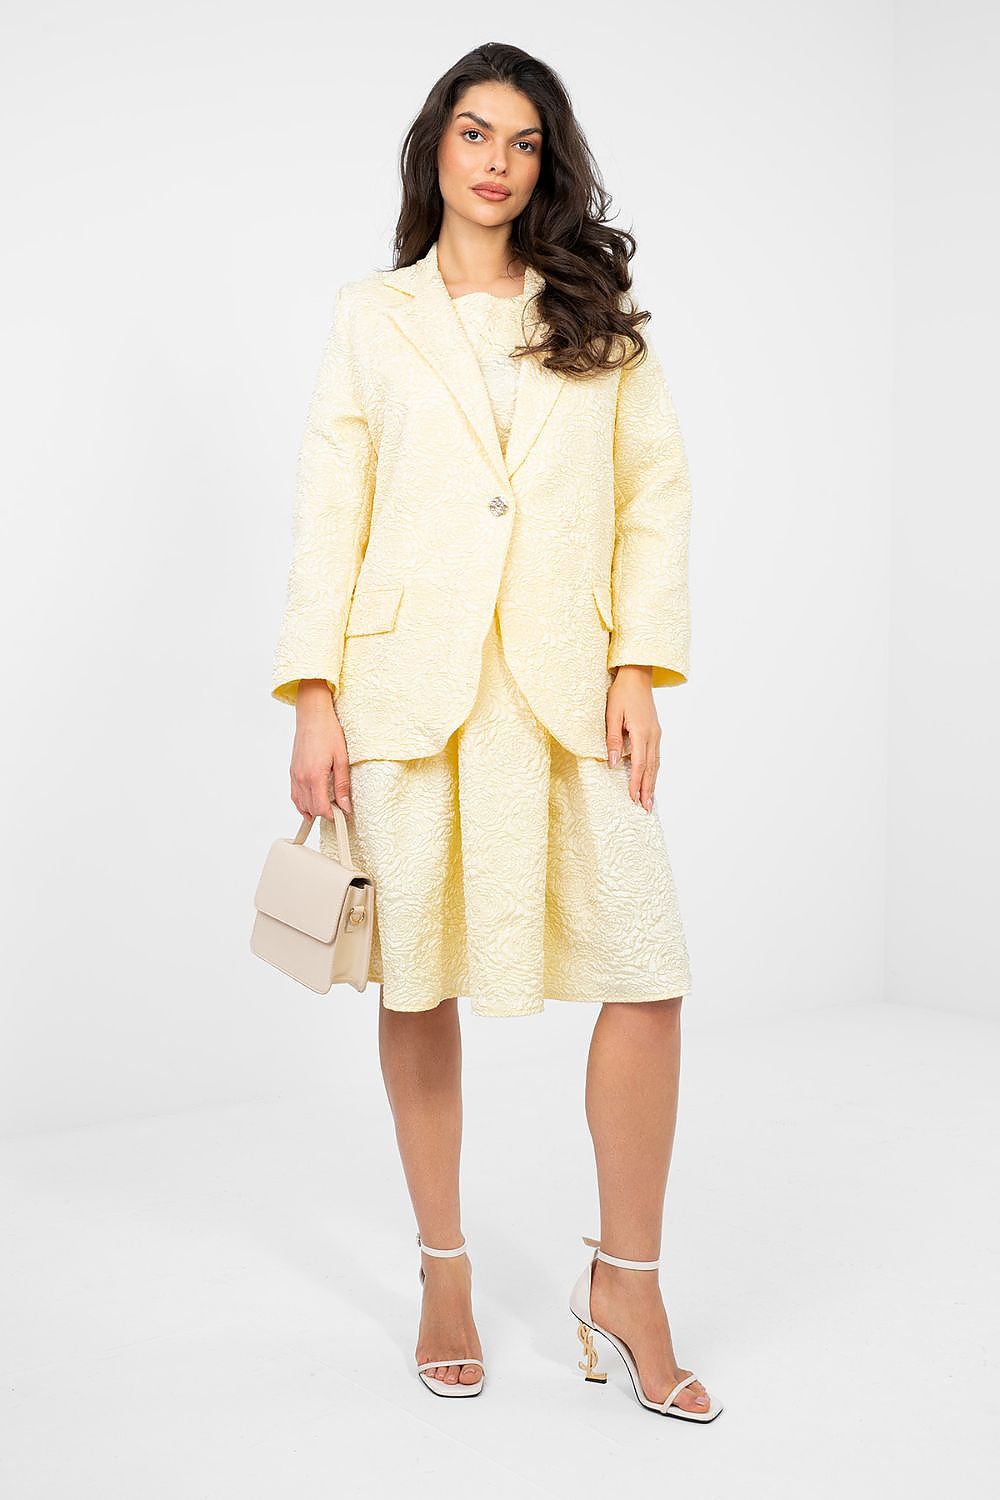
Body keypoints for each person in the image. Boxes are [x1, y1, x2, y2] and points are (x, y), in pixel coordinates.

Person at [269, 41, 721, 1421]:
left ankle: (627, 1281)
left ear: (548, 164)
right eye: (475, 132)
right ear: (436, 146)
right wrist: (314, 693)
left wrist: (638, 664)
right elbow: (331, 509)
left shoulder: (596, 315)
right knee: (417, 985)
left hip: (566, 690)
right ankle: (444, 1267)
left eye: (524, 141)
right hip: (410, 694)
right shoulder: (372, 316)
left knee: (647, 973)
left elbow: (652, 493)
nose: (498, 161)